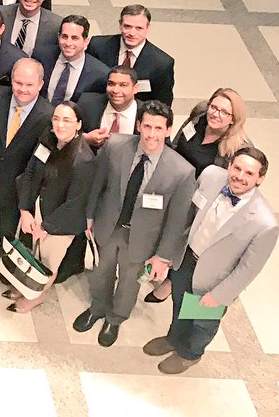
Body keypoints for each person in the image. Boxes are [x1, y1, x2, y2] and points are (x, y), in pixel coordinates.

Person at [143, 148, 279, 374]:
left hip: (215, 280)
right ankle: (174, 338)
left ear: (260, 178)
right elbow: (187, 215)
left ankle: (190, 354)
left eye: (249, 173)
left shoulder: (265, 224)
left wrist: (220, 295)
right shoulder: (210, 176)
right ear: (229, 165)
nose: (240, 176)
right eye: (237, 168)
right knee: (179, 303)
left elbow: (249, 269)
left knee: (202, 322)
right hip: (187, 259)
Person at [74, 101, 196, 347]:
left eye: (158, 128)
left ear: (168, 130)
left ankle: (115, 318)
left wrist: (163, 256)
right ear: (139, 125)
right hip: (109, 225)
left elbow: (176, 220)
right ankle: (98, 307)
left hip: (143, 238)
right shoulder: (115, 146)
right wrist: (89, 215)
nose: (151, 134)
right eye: (147, 126)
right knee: (101, 270)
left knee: (129, 281)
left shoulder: (182, 172)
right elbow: (98, 183)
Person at [145, 87, 252, 305]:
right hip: (174, 183)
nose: (216, 114)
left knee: (184, 240)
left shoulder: (238, 149)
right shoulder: (200, 115)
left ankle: (171, 281)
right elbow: (176, 143)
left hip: (197, 200)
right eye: (214, 107)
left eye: (224, 112)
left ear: (233, 119)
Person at [8, 101, 95, 313]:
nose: (60, 125)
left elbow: (74, 203)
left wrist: (46, 227)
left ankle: (36, 297)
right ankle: (24, 286)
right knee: (31, 254)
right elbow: (30, 172)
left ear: (79, 125)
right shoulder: (47, 139)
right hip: (36, 207)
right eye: (56, 119)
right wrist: (25, 210)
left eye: (67, 120)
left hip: (60, 222)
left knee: (47, 264)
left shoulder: (83, 160)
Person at [0, 57, 53, 262]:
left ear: (40, 85)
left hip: (17, 179)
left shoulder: (48, 115)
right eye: (18, 83)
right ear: (11, 80)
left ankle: (4, 248)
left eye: (29, 85)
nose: (22, 89)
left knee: (8, 219)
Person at [86, 4, 175, 104]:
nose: (132, 33)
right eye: (127, 27)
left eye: (139, 28)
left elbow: (162, 103)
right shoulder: (98, 46)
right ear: (120, 24)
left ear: (148, 28)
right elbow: (86, 82)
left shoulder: (162, 63)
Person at [33, 15, 109, 102]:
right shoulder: (41, 56)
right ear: (58, 37)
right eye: (64, 36)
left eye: (74, 38)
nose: (68, 43)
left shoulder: (99, 74)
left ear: (85, 42)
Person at [76, 66, 141, 148]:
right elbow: (66, 134)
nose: (115, 90)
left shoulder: (145, 114)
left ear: (135, 88)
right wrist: (85, 139)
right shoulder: (88, 104)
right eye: (111, 84)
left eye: (123, 85)